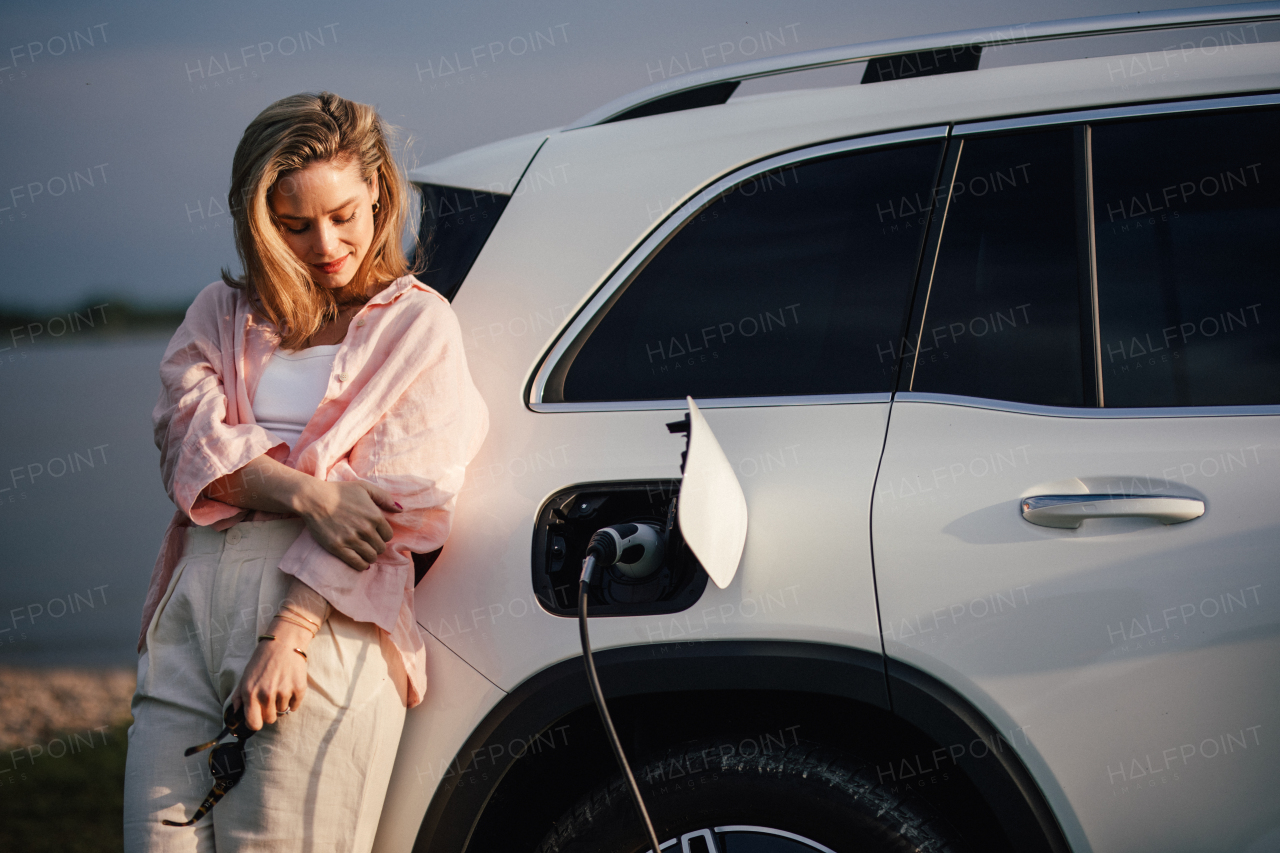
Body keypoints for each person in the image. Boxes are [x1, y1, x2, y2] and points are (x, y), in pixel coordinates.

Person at [122, 91, 489, 852]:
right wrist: (309, 492)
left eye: (343, 215)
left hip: (326, 613)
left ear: (380, 195)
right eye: (294, 224)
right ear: (260, 223)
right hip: (196, 596)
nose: (325, 243)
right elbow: (186, 444)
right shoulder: (221, 312)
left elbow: (399, 500)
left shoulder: (420, 325)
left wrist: (290, 632)